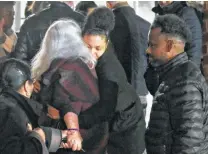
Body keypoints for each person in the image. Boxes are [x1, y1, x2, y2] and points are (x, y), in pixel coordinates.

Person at [31, 19, 118, 154]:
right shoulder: (85, 63)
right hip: (96, 136)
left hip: (76, 139)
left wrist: (72, 130)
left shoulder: (68, 67)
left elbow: (65, 103)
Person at [82, 7, 145, 154]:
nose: (92, 53)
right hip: (121, 118)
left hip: (127, 127)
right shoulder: (100, 53)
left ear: (107, 42)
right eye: (87, 46)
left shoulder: (109, 70)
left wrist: (73, 120)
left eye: (97, 48)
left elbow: (104, 110)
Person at [145, 14, 208, 154]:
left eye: (153, 45)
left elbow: (189, 144)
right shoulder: (173, 76)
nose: (148, 50)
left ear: (169, 45)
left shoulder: (184, 82)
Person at [0, 58, 72, 154]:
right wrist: (37, 140)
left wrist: (59, 137)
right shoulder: (11, 112)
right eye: (32, 83)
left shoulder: (12, 105)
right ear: (26, 85)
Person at [106, 1, 150, 114]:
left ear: (108, 4)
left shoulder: (108, 25)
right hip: (141, 91)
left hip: (119, 93)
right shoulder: (145, 25)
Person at [11, 1, 84, 63]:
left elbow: (19, 60)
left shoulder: (30, 21)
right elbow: (87, 57)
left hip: (36, 76)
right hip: (71, 76)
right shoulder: (81, 20)